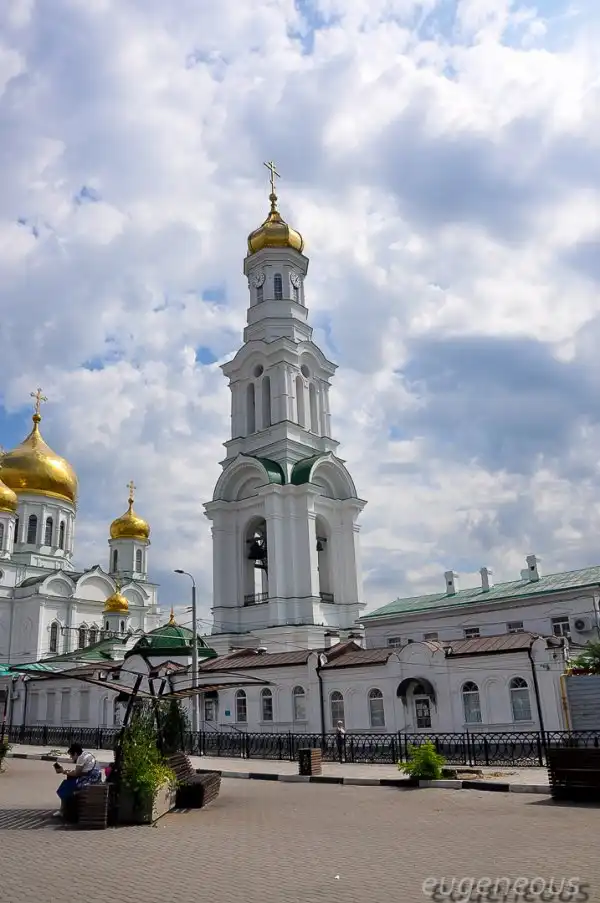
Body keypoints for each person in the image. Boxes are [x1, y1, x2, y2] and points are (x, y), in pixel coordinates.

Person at [53, 743, 102, 818]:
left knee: (66, 786)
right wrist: (67, 772)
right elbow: (81, 772)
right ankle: (62, 809)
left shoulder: (80, 758)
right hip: (95, 777)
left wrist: (63, 771)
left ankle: (63, 810)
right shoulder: (86, 754)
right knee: (68, 783)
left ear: (75, 753)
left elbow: (77, 773)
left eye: (71, 755)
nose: (71, 758)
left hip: (91, 779)